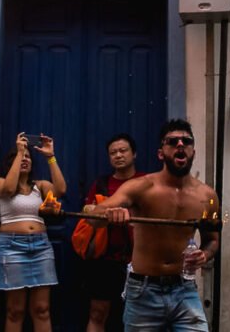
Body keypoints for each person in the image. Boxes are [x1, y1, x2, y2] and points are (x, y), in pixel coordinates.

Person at [93, 118, 220, 332]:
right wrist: (111, 213)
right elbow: (93, 218)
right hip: (143, 290)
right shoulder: (140, 187)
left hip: (184, 289)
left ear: (193, 152)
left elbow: (213, 240)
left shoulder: (207, 196)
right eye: (172, 142)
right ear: (161, 153)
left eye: (186, 141)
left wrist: (204, 255)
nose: (180, 145)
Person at [0, 132, 66, 332]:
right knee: (15, 311)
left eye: (28, 157)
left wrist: (50, 156)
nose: (25, 159)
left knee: (42, 309)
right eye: (20, 157)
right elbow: (8, 189)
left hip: (41, 247)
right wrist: (20, 152)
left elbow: (61, 189)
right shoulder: (0, 182)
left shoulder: (39, 187)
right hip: (11, 248)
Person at [81, 133, 145, 332]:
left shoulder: (147, 183)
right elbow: (87, 213)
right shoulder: (101, 184)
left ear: (134, 154)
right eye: (113, 152)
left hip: (139, 260)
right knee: (98, 313)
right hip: (105, 259)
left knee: (140, 316)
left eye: (123, 150)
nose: (118, 155)